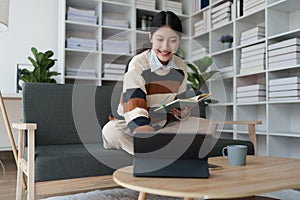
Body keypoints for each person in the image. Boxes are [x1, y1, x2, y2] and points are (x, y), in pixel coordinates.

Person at [102, 11, 214, 155]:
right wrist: (142, 127)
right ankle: (161, 152)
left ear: (179, 41)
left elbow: (181, 100)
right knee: (111, 131)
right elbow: (134, 100)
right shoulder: (138, 63)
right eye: (160, 39)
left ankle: (156, 148)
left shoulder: (180, 66)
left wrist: (182, 112)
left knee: (208, 127)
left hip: (163, 125)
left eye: (172, 41)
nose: (165, 47)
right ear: (151, 38)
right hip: (132, 124)